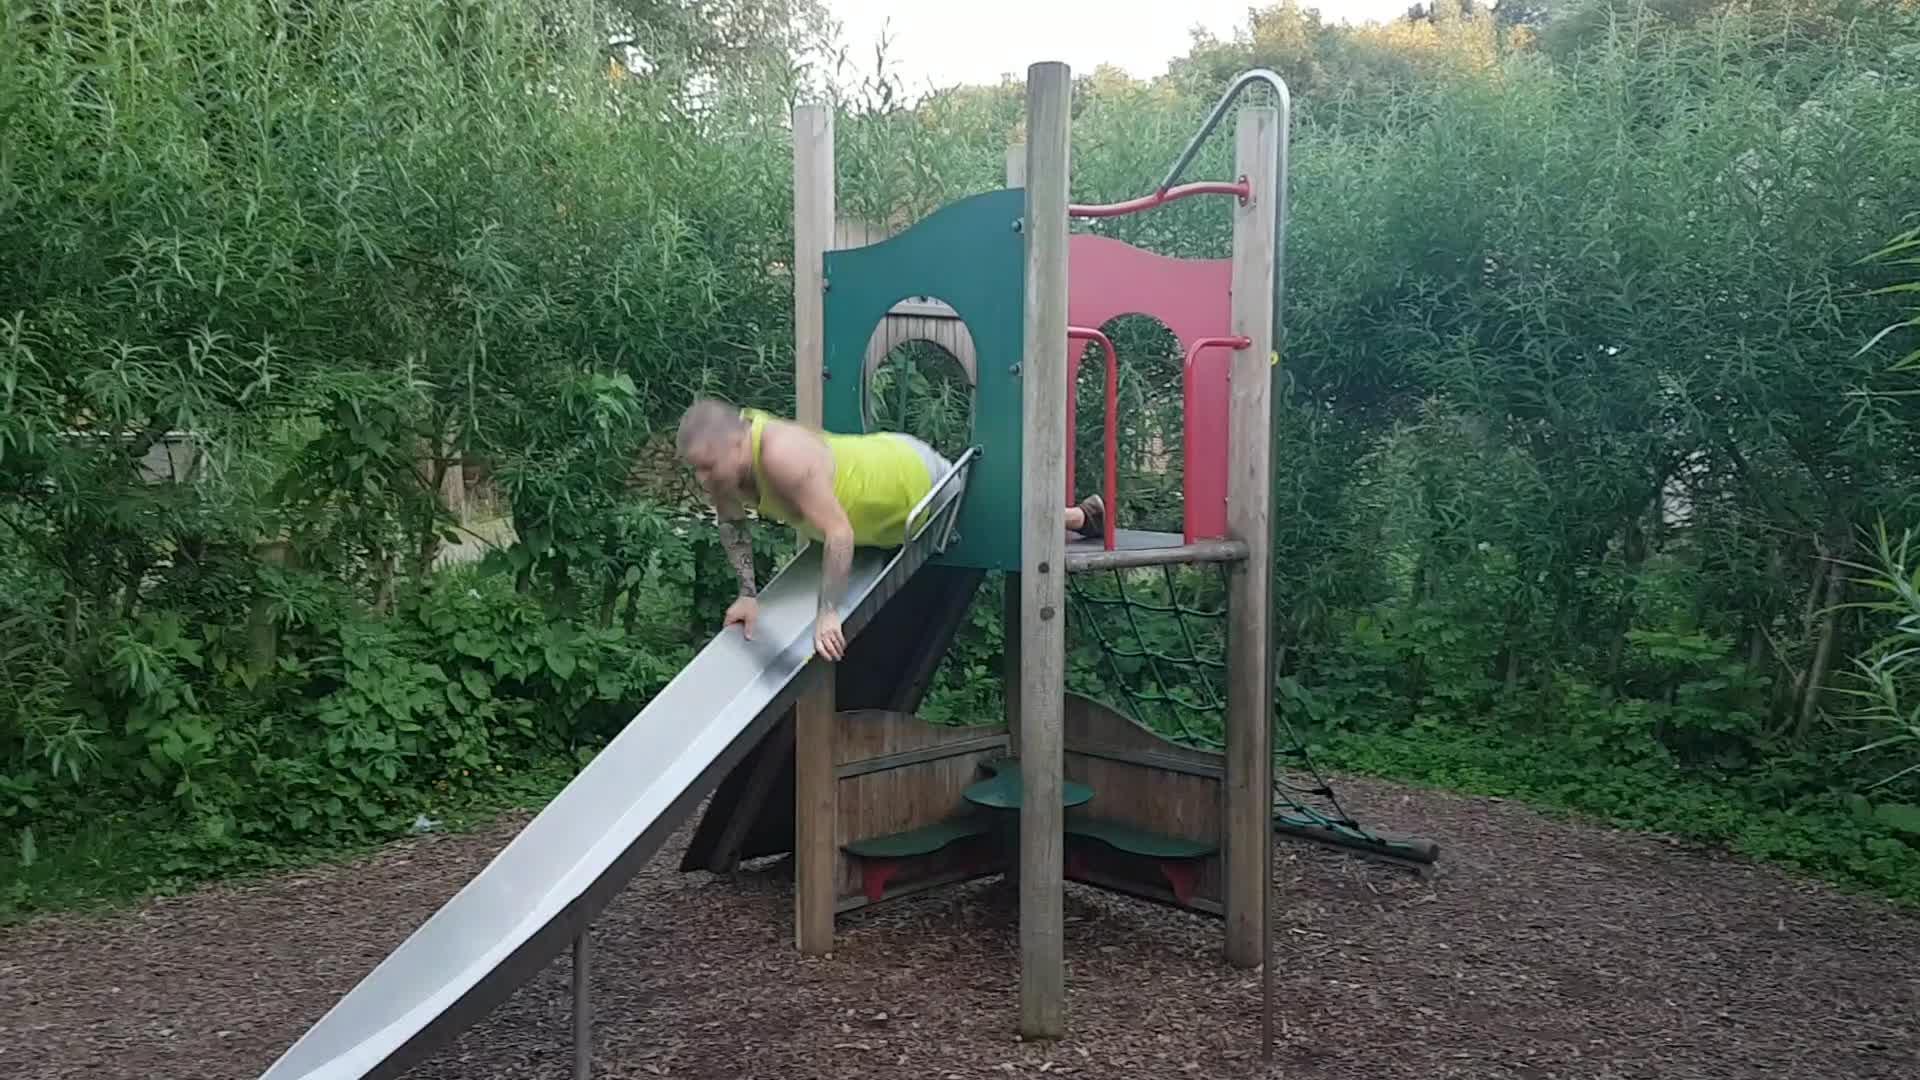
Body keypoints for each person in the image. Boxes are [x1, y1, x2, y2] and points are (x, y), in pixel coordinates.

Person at [674, 397, 1106, 660]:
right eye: (697, 471)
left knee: (990, 521)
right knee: (998, 519)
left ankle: (1075, 517)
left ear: (736, 443)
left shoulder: (781, 456)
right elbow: (732, 524)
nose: (704, 480)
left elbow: (839, 533)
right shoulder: (727, 468)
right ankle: (1081, 516)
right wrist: (748, 595)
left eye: (708, 468)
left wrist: (828, 614)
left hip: (912, 482)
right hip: (879, 503)